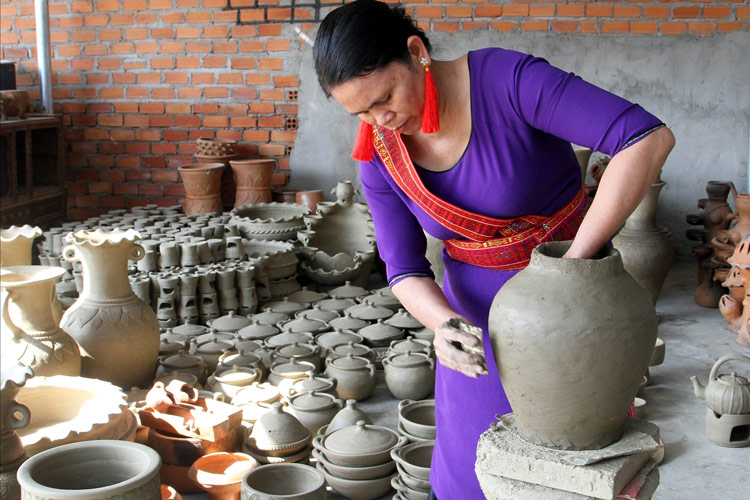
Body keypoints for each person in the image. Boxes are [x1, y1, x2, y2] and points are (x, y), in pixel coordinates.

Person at [313, 1, 675, 498]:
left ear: (416, 52)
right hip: (475, 325)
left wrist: (570, 268)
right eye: (362, 112)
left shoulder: (506, 80)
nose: (382, 119)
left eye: (385, 97)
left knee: (567, 469)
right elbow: (403, 268)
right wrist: (443, 326)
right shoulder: (380, 150)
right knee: (471, 474)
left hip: (576, 310)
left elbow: (646, 138)